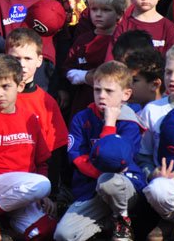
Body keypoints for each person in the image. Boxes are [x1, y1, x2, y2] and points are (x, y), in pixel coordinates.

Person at [55, 61, 146, 241]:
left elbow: (114, 158)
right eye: (97, 90)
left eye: (109, 91)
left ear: (126, 94)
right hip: (91, 187)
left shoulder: (129, 121)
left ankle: (123, 220)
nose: (101, 96)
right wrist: (99, 174)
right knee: (63, 235)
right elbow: (77, 155)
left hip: (124, 187)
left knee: (109, 182)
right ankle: (107, 223)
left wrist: (110, 125)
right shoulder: (83, 117)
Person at [0, 55, 55, 241]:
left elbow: (41, 162)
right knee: (41, 185)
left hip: (23, 191)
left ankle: (7, 221)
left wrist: (42, 197)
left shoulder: (30, 118)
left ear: (20, 87)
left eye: (6, 86)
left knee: (46, 231)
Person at [139, 45, 174, 239]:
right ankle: (171, 220)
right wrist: (153, 173)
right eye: (168, 72)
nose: (173, 78)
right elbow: (143, 155)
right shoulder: (152, 110)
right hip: (168, 185)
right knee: (158, 189)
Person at [65, 0, 128, 114]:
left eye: (106, 10)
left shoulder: (122, 41)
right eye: (94, 9)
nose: (98, 14)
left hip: (113, 105)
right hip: (83, 103)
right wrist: (79, 75)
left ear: (119, 14)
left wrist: (89, 77)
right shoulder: (83, 39)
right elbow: (67, 67)